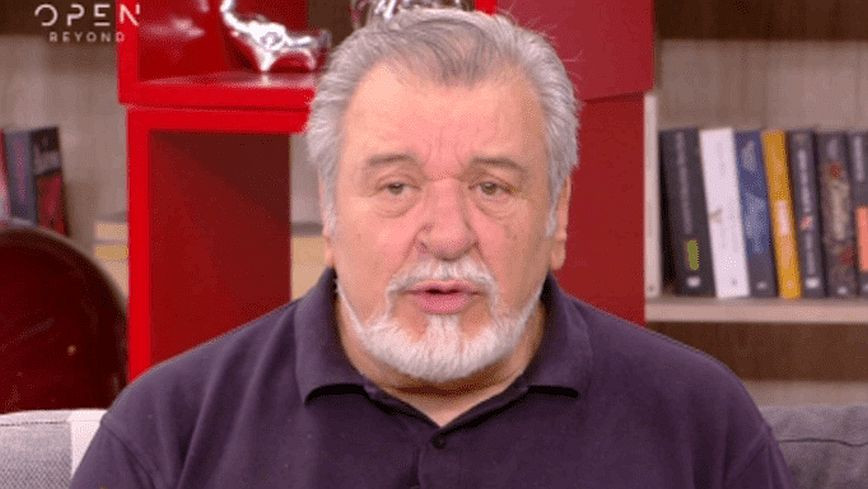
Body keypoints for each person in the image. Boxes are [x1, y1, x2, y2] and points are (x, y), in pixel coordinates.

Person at [71, 9, 795, 489]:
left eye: (492, 187)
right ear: (330, 213)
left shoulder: (702, 424)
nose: (447, 235)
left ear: (558, 214)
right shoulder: (170, 432)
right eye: (396, 186)